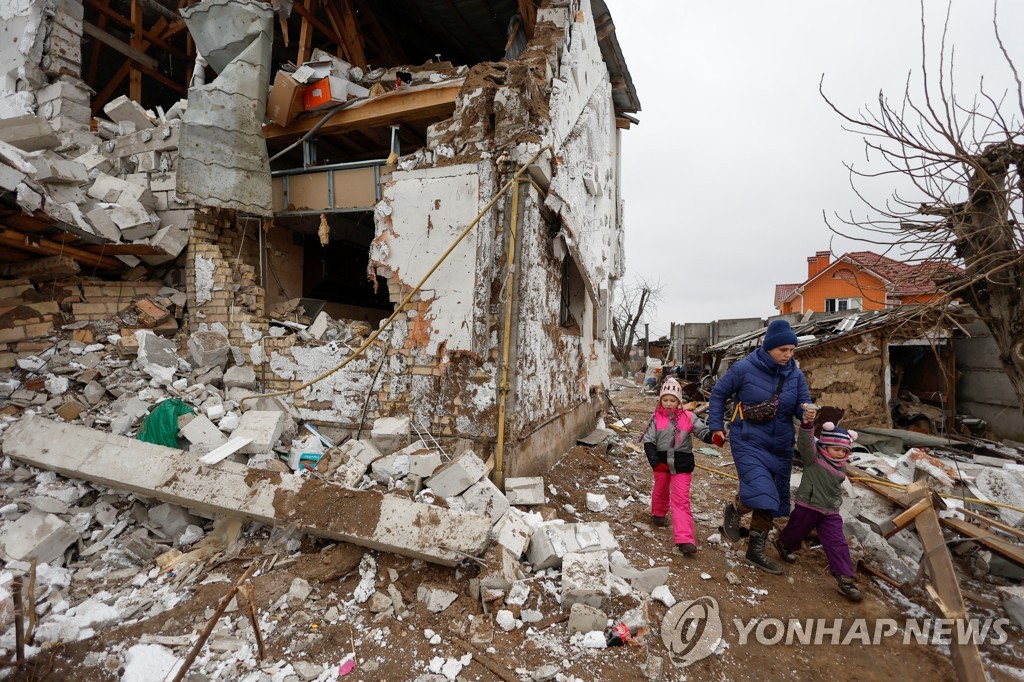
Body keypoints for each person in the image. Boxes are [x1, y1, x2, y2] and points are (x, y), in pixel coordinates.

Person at [708, 319, 811, 574]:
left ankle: (755, 551)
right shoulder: (744, 368)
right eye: (783, 350)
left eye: (791, 350)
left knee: (773, 499)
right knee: (761, 490)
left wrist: (806, 412)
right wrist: (715, 427)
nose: (788, 355)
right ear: (769, 348)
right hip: (749, 439)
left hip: (781, 445)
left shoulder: (796, 375)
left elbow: (802, 404)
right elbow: (719, 393)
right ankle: (735, 509)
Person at [775, 416, 863, 602]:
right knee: (796, 531)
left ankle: (845, 579)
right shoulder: (813, 458)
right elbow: (806, 443)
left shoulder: (841, 465)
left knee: (837, 543)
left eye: (844, 450)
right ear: (825, 446)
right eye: (836, 449)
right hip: (809, 505)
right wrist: (807, 425)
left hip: (830, 511)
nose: (840, 453)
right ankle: (783, 545)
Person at [642, 377, 715, 555]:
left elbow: (701, 430)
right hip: (661, 463)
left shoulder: (689, 417)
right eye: (665, 399)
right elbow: (649, 440)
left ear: (679, 401)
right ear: (660, 400)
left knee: (681, 500)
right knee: (660, 489)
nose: (668, 403)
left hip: (682, 464)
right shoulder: (655, 418)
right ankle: (658, 513)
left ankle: (685, 539)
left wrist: (712, 437)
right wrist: (654, 462)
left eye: (672, 400)